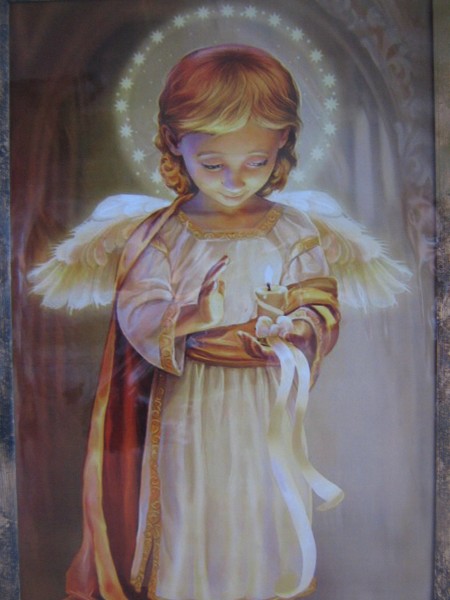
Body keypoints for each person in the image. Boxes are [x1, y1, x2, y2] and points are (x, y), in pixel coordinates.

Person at [65, 44, 343, 600]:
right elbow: (139, 310)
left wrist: (295, 327)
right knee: (191, 501)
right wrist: (194, 316)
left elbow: (320, 302)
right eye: (214, 164)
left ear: (283, 143)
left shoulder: (293, 230)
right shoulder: (163, 234)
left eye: (255, 162)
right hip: (186, 406)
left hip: (263, 406)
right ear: (174, 142)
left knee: (258, 500)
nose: (235, 181)